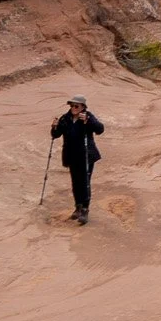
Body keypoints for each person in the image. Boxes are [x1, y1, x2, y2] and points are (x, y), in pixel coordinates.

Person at [51, 96, 104, 225]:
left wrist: (88, 121)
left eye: (76, 106)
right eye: (72, 106)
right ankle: (78, 207)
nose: (73, 108)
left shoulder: (88, 117)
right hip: (72, 156)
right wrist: (54, 127)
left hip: (86, 155)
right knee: (75, 182)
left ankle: (85, 210)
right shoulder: (65, 118)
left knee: (85, 181)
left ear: (83, 107)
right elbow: (55, 135)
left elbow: (100, 129)